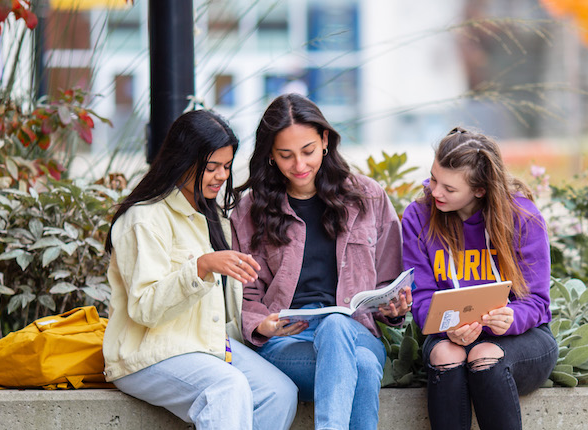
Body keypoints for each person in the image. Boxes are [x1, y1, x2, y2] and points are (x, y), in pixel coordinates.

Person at [103, 110, 298, 430]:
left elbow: (222, 311)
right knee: (227, 387)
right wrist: (201, 267)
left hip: (206, 344)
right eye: (211, 167)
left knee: (279, 392)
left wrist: (259, 325)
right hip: (150, 353)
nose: (221, 176)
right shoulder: (143, 218)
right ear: (182, 161)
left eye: (226, 166)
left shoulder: (214, 217)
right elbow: (144, 308)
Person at [231, 93, 411, 430]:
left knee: (337, 325)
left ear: (325, 140)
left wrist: (393, 307)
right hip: (287, 341)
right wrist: (262, 325)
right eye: (286, 155)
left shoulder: (368, 197)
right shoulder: (250, 210)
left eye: (308, 151)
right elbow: (246, 296)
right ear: (270, 153)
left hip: (357, 331)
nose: (299, 165)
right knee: (365, 368)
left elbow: (390, 280)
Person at [402, 127, 559, 430]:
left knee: (484, 356)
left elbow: (538, 302)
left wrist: (510, 317)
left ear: (479, 190)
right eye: (434, 178)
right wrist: (449, 327)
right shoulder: (418, 216)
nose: (435, 192)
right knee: (446, 355)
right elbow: (420, 298)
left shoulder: (523, 218)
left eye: (449, 188)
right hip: (449, 335)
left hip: (522, 338)